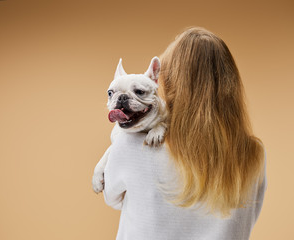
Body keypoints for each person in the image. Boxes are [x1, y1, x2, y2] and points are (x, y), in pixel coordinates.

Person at [103, 27, 267, 240]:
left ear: (169, 83)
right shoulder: (254, 152)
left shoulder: (132, 144)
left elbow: (112, 196)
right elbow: (248, 217)